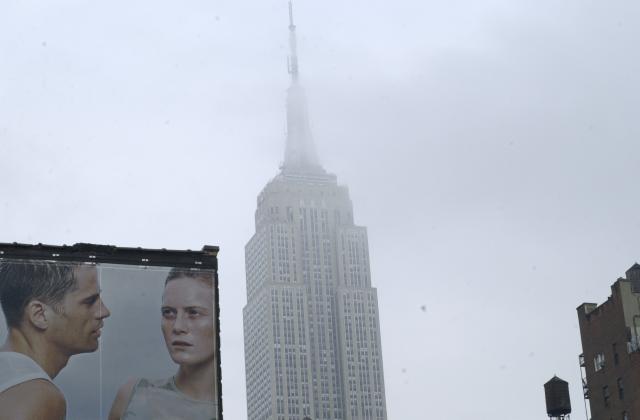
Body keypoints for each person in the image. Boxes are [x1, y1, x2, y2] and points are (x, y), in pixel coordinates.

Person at [0, 260, 110, 420]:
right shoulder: (38, 396)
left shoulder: (11, 381)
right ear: (40, 315)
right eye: (89, 301)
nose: (104, 311)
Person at [109, 268, 218, 420]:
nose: (177, 327)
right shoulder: (133, 396)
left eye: (193, 312)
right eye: (169, 312)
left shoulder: (239, 406)